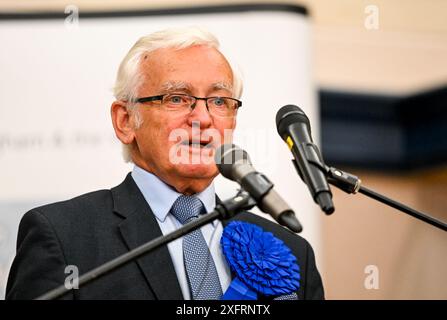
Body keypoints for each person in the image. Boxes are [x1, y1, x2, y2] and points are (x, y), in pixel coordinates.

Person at [6, 26, 324, 300]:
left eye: (219, 101)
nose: (202, 118)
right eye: (176, 98)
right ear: (125, 120)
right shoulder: (64, 238)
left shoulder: (291, 254)